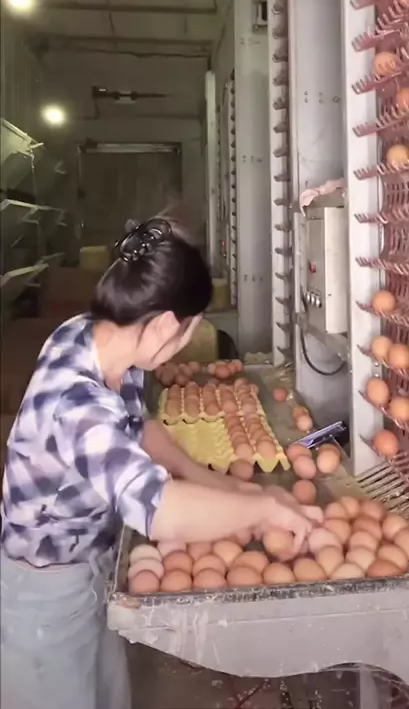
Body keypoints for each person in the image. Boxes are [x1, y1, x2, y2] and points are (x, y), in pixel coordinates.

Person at [0, 216, 320, 709]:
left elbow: (138, 426)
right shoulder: (76, 401)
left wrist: (205, 478)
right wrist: (264, 509)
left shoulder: (95, 339)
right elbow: (159, 510)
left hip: (92, 566)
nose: (186, 343)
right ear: (168, 325)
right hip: (43, 593)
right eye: (189, 331)